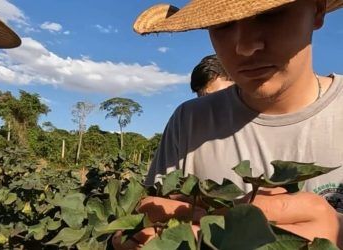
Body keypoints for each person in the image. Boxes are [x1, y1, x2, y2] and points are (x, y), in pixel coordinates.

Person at [114, 0, 343, 248]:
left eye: (270, 14)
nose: (245, 46)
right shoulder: (190, 121)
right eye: (223, 23)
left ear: (317, 10)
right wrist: (133, 236)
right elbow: (150, 218)